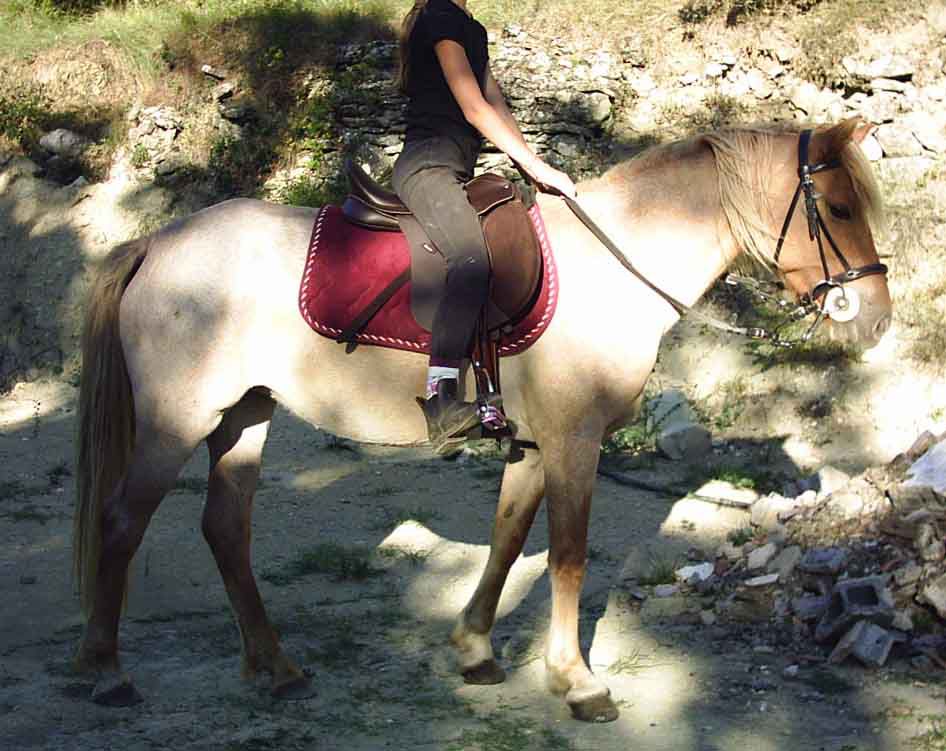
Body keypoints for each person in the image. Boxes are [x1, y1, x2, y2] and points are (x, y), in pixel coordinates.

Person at [393, 0, 577, 453]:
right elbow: (474, 107)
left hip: (454, 170)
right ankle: (442, 402)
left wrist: (533, 166)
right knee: (470, 258)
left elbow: (496, 103)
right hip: (427, 166)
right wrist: (536, 167)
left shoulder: (470, 27)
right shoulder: (439, 16)